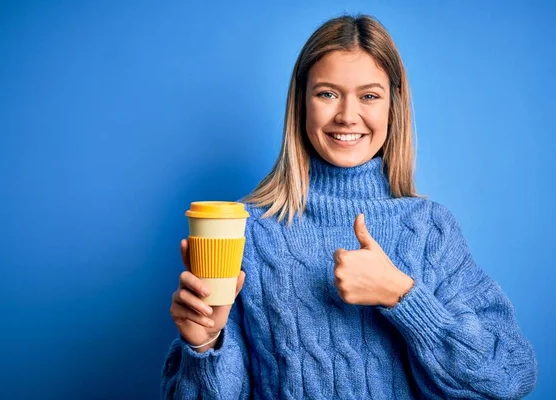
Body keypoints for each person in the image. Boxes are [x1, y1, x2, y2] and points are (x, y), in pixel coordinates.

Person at [161, 14, 538, 399]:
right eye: (327, 93)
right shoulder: (248, 231)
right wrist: (204, 346)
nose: (347, 115)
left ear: (394, 105)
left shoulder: (429, 228)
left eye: (369, 96)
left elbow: (508, 378)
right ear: (301, 103)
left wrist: (403, 296)